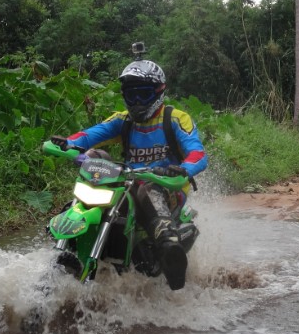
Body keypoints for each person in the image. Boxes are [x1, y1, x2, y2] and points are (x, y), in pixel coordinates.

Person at [51, 59, 207, 290]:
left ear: (158, 92)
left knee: (147, 189)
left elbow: (197, 153)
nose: (136, 102)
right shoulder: (123, 120)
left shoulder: (175, 118)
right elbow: (90, 134)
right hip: (127, 184)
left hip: (166, 186)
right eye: (131, 95)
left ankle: (168, 245)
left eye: (142, 94)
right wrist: (68, 144)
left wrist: (184, 168)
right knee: (96, 163)